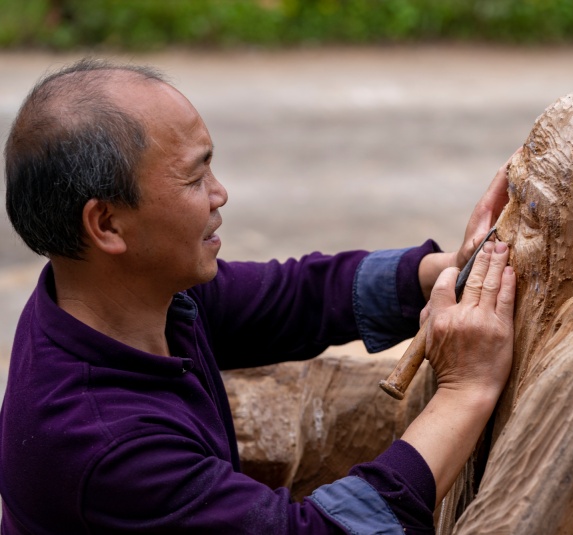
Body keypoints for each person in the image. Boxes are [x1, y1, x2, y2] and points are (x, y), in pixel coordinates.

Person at [0, 59, 517, 534]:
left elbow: (298, 295)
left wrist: (449, 269)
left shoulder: (117, 298)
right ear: (107, 223)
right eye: (194, 176)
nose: (219, 193)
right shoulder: (103, 442)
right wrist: (464, 391)